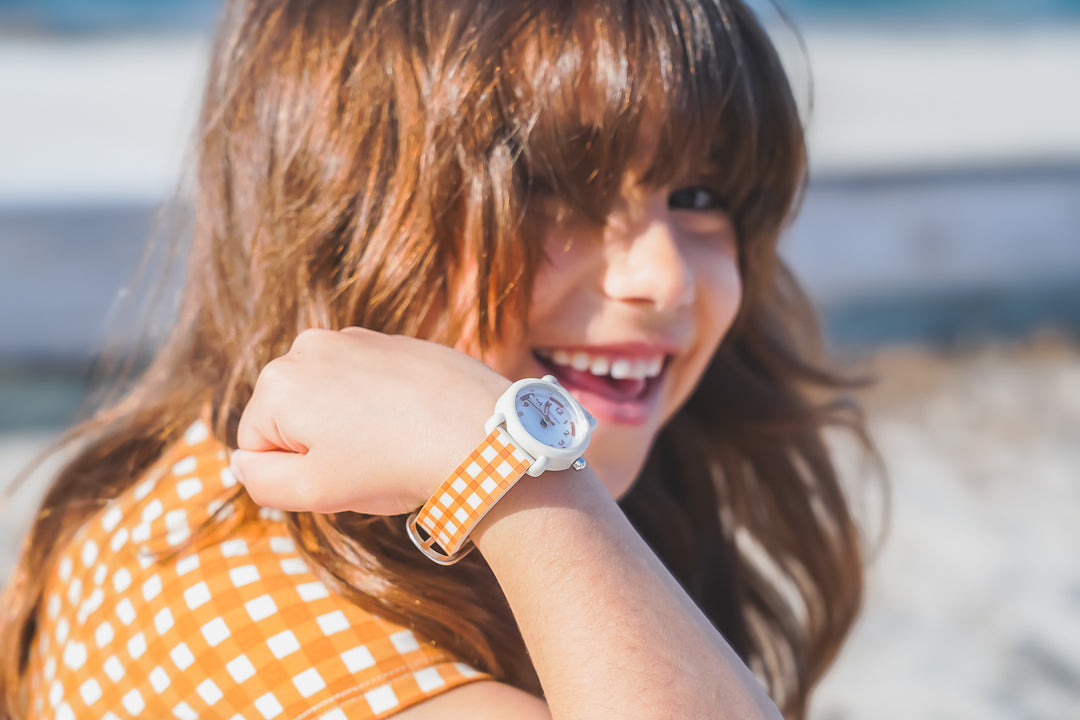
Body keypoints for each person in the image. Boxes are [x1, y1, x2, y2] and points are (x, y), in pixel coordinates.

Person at [0, 0, 872, 718]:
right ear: (341, 195)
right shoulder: (268, 623)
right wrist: (517, 471)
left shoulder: (196, 470)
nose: (665, 276)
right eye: (552, 182)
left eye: (699, 196)